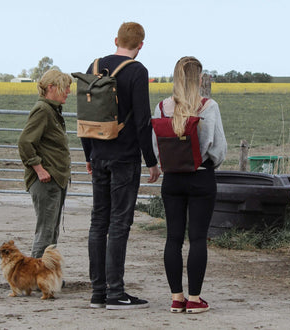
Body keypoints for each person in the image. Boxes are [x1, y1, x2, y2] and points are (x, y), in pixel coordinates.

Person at [81, 22, 161, 310]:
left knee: (98, 221)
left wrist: (89, 155)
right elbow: (142, 120)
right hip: (125, 158)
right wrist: (151, 161)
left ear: (116, 39)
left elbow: (85, 114)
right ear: (141, 45)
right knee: (119, 223)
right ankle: (116, 292)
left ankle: (98, 292)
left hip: (98, 153)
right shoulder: (137, 71)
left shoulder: (94, 66)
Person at [152, 56, 227, 313]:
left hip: (172, 178)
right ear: (199, 78)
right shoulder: (208, 106)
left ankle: (176, 298)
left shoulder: (161, 107)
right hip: (201, 177)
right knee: (197, 238)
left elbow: (156, 145)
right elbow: (217, 148)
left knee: (172, 238)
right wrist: (210, 162)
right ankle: (195, 300)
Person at [18, 69, 72, 259]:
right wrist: (39, 169)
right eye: (65, 87)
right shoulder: (43, 110)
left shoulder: (52, 110)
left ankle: (45, 274)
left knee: (51, 230)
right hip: (46, 181)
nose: (68, 92)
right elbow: (25, 142)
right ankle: (37, 277)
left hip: (55, 179)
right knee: (46, 231)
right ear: (51, 87)